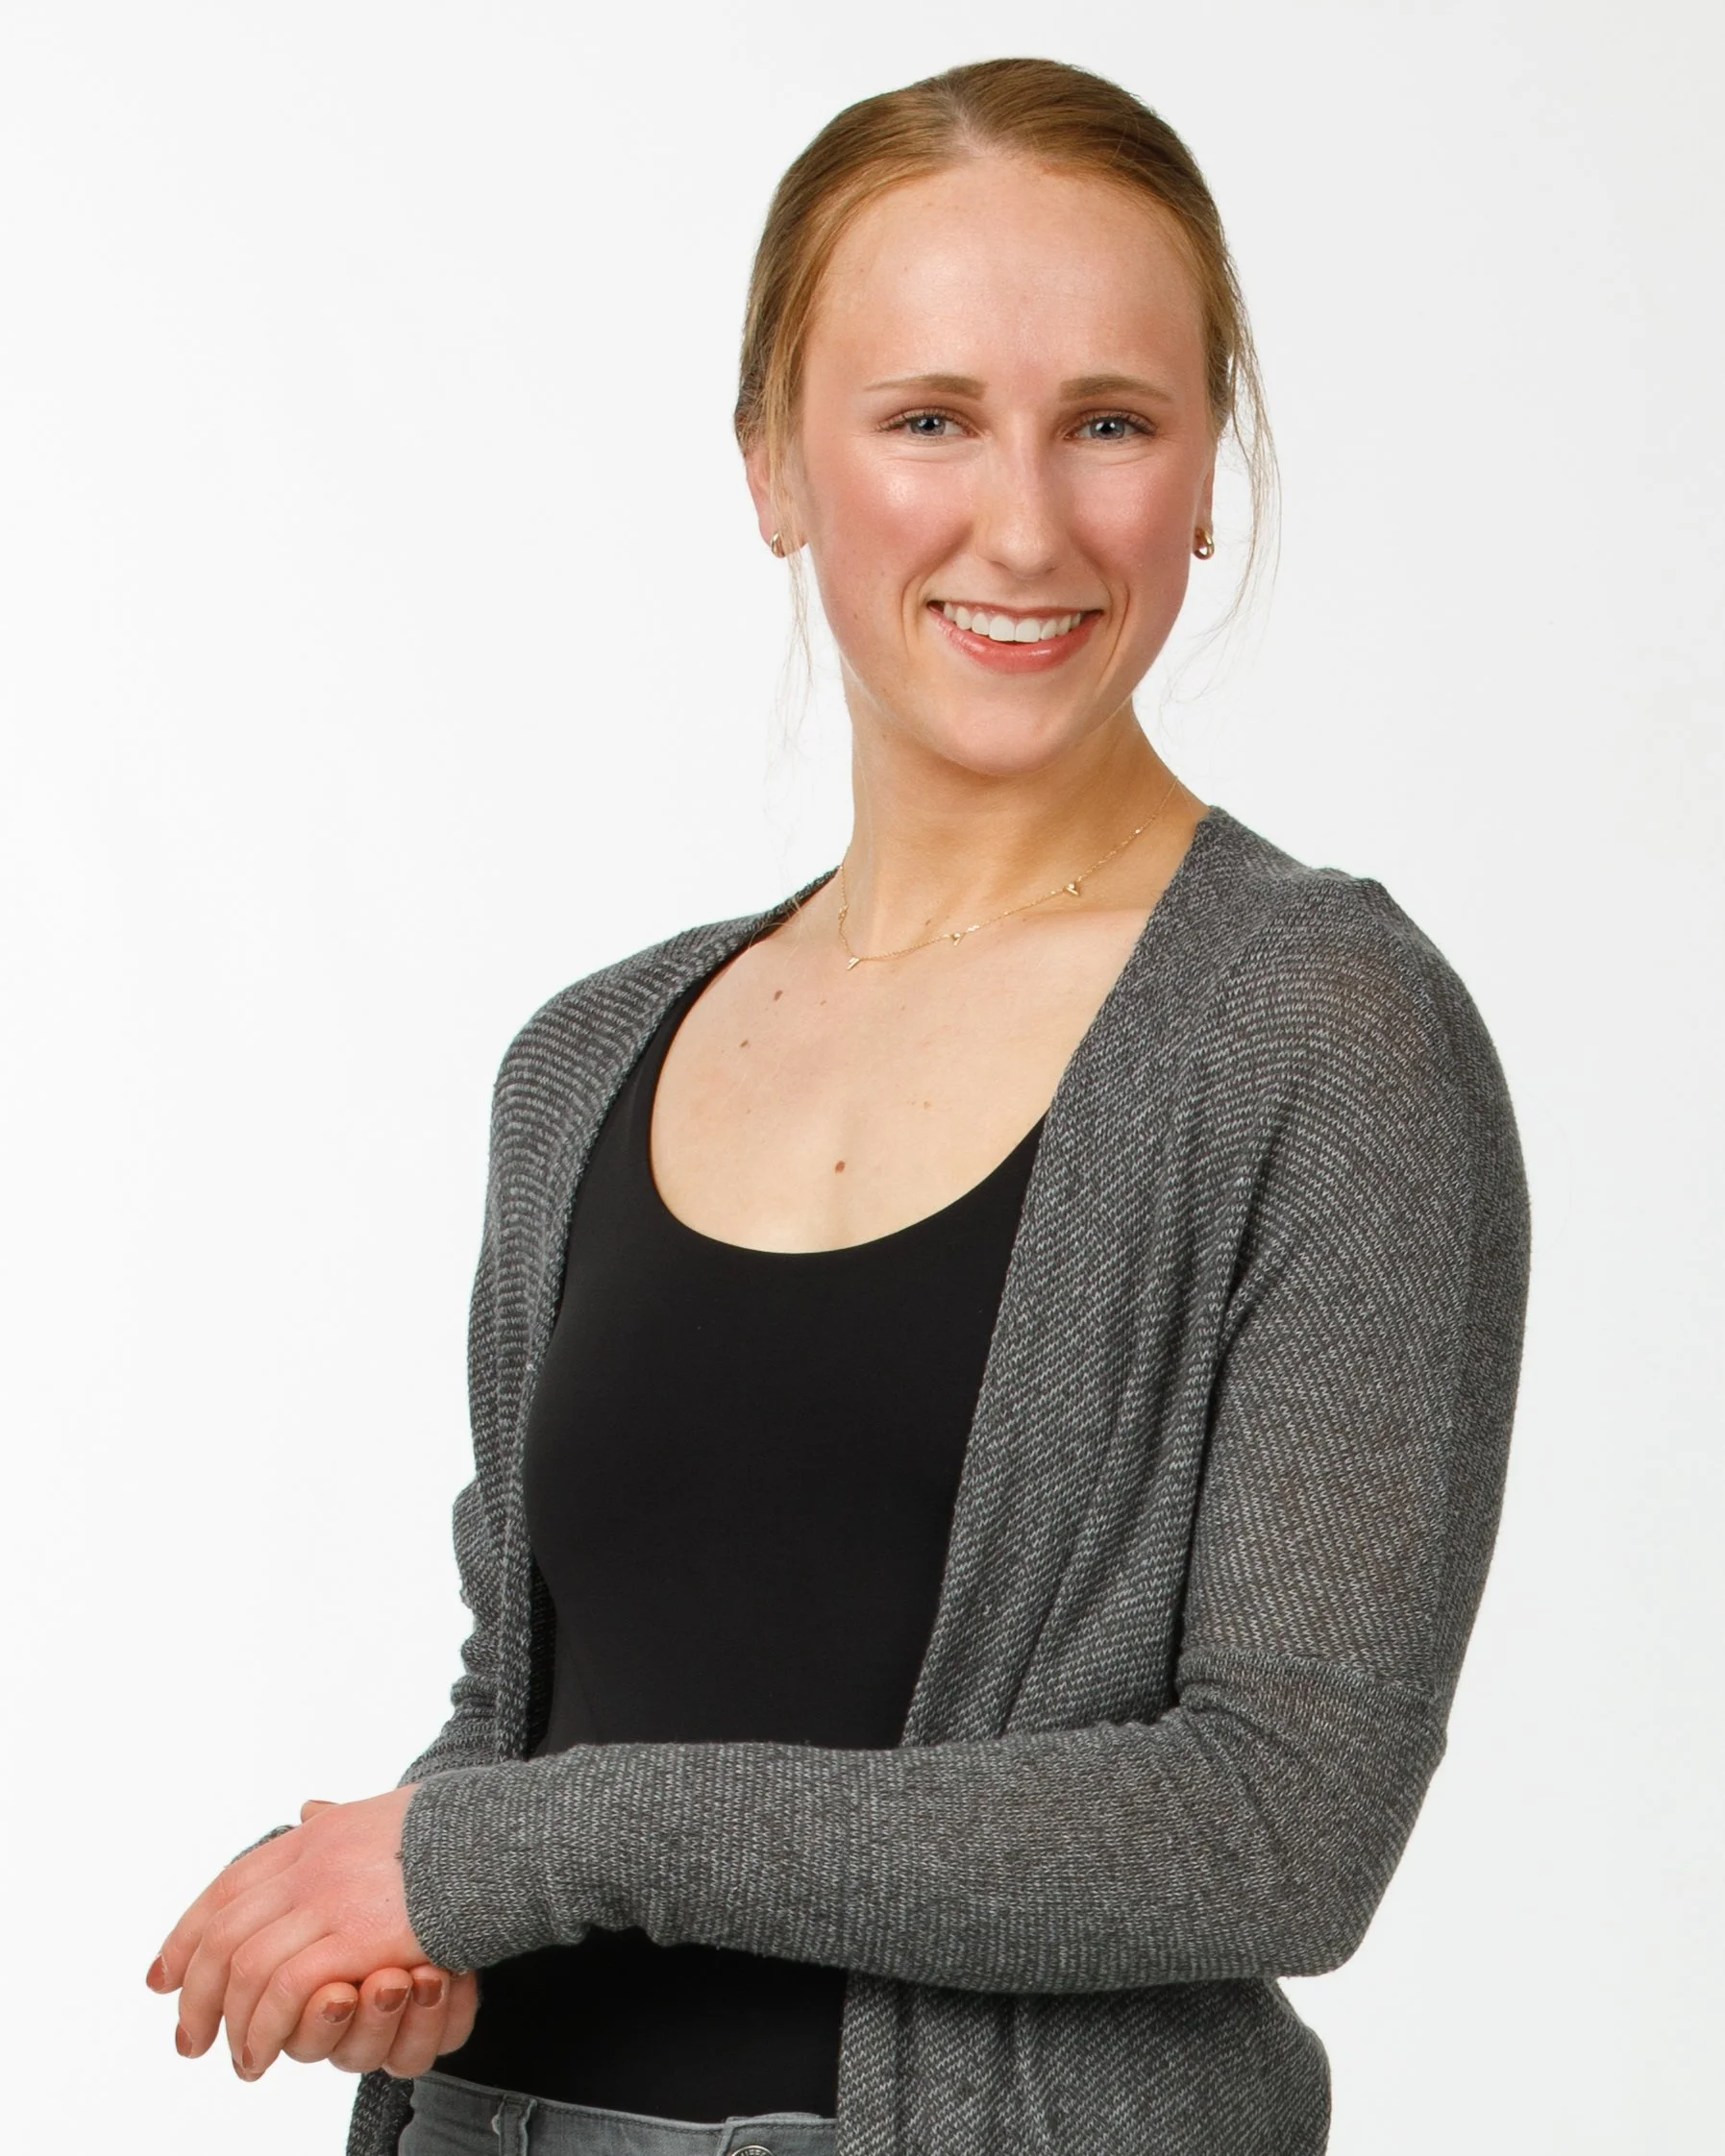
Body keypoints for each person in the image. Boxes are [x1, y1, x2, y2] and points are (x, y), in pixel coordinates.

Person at [145, 56, 1532, 2156]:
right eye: (927, 419)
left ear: (1205, 473)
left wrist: (522, 1855)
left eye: (1114, 424)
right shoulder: (585, 1061)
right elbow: (532, 1717)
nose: (1028, 524)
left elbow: (1278, 1821)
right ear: (772, 466)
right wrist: (407, 1927)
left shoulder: (1323, 1038)